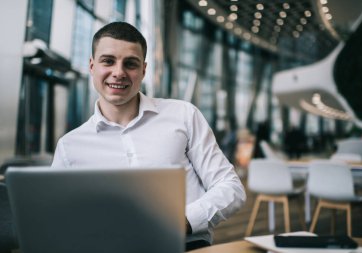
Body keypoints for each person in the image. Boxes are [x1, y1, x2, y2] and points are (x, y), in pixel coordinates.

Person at [51, 22, 246, 251]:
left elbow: (230, 187)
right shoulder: (69, 146)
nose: (119, 72)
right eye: (108, 61)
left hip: (185, 245)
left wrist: (181, 221)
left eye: (130, 64)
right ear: (92, 66)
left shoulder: (183, 114)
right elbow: (58, 219)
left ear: (143, 70)